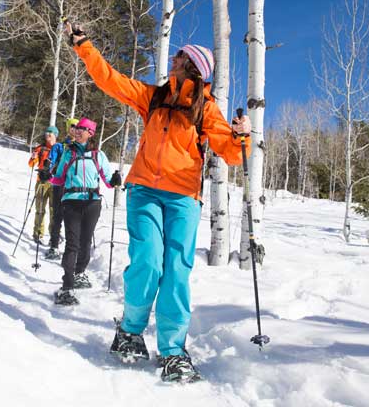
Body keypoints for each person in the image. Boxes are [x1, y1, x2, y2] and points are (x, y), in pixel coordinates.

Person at [66, 24, 252, 383]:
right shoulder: (153, 96)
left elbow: (230, 153)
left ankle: (172, 351)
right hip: (144, 192)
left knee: (177, 271)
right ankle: (130, 331)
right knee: (148, 263)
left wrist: (241, 137)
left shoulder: (206, 110)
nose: (173, 58)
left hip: (184, 198)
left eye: (179, 56)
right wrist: (84, 46)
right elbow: (110, 79)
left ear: (193, 67)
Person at [51, 117, 120, 306]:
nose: (78, 131)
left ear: (91, 133)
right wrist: (46, 176)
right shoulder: (69, 153)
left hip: (92, 203)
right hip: (71, 202)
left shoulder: (98, 155)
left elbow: (107, 181)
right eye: (77, 128)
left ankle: (80, 272)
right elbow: (58, 179)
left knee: (85, 242)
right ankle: (67, 286)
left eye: (83, 129)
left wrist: (115, 179)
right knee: (72, 243)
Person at [45, 117, 79, 260]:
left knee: (73, 217)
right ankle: (54, 245)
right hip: (59, 184)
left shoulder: (81, 148)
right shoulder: (59, 146)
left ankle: (71, 250)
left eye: (77, 127)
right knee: (58, 214)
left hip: (75, 186)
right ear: (67, 128)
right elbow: (50, 160)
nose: (75, 129)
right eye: (72, 126)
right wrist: (47, 168)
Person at [28, 126, 58, 244]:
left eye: (51, 133)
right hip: (41, 182)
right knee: (40, 209)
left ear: (55, 135)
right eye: (47, 133)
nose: (48, 135)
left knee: (54, 210)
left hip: (55, 183)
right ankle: (38, 233)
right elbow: (31, 164)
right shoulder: (40, 148)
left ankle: (53, 235)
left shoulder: (60, 148)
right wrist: (33, 157)